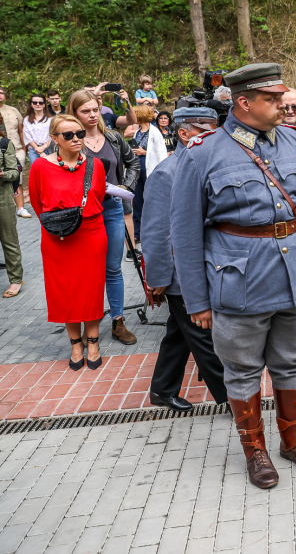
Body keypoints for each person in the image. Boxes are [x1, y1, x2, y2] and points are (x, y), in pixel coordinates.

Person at [171, 63, 296, 490]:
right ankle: (254, 449)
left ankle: (292, 439)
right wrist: (198, 302)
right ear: (243, 102)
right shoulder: (203, 152)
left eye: (282, 97)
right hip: (238, 283)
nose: (284, 104)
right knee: (242, 372)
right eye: (273, 98)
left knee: (289, 365)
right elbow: (186, 234)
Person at [142, 107, 228, 411]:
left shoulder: (204, 166)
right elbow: (155, 234)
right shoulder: (166, 173)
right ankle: (234, 400)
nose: (214, 136)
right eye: (206, 130)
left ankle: (163, 389)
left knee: (179, 334)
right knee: (204, 338)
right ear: (183, 133)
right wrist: (158, 279)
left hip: (202, 269)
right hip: (180, 275)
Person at [30, 116, 108, 370]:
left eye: (79, 133)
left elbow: (98, 196)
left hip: (91, 233)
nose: (76, 138)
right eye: (68, 135)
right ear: (54, 139)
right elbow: (37, 202)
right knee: (65, 290)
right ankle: (76, 343)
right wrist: (57, 226)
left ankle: (93, 341)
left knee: (91, 288)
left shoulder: (95, 165)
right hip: (57, 237)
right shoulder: (40, 167)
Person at [68, 90, 140, 345]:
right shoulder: (70, 140)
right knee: (87, 270)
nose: (91, 115)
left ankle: (118, 321)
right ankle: (90, 324)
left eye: (94, 110)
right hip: (83, 213)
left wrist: (126, 189)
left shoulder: (113, 138)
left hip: (111, 209)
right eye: (84, 111)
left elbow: (133, 164)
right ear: (74, 113)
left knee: (113, 268)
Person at [124, 105, 156, 241]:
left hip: (149, 169)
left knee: (150, 201)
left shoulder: (155, 132)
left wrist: (145, 152)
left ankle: (151, 232)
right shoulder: (138, 131)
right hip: (137, 168)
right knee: (137, 201)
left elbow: (160, 153)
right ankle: (137, 233)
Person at [0, 87, 29, 219]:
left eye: (1, 93)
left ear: (5, 96)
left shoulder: (13, 111)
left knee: (18, 177)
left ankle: (20, 208)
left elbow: (21, 130)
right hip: (1, 149)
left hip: (16, 149)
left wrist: (24, 148)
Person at [0, 134, 23, 298]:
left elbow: (14, 172)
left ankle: (16, 280)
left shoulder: (4, 144)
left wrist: (2, 174)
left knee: (9, 240)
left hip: (3, 199)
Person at [23, 93, 52, 171]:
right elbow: (28, 137)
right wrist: (38, 150)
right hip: (33, 150)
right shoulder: (26, 120)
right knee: (37, 172)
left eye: (41, 102)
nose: (38, 104)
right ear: (31, 105)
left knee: (49, 171)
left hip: (49, 149)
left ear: (44, 105)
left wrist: (43, 147)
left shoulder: (51, 119)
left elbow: (54, 135)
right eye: (35, 102)